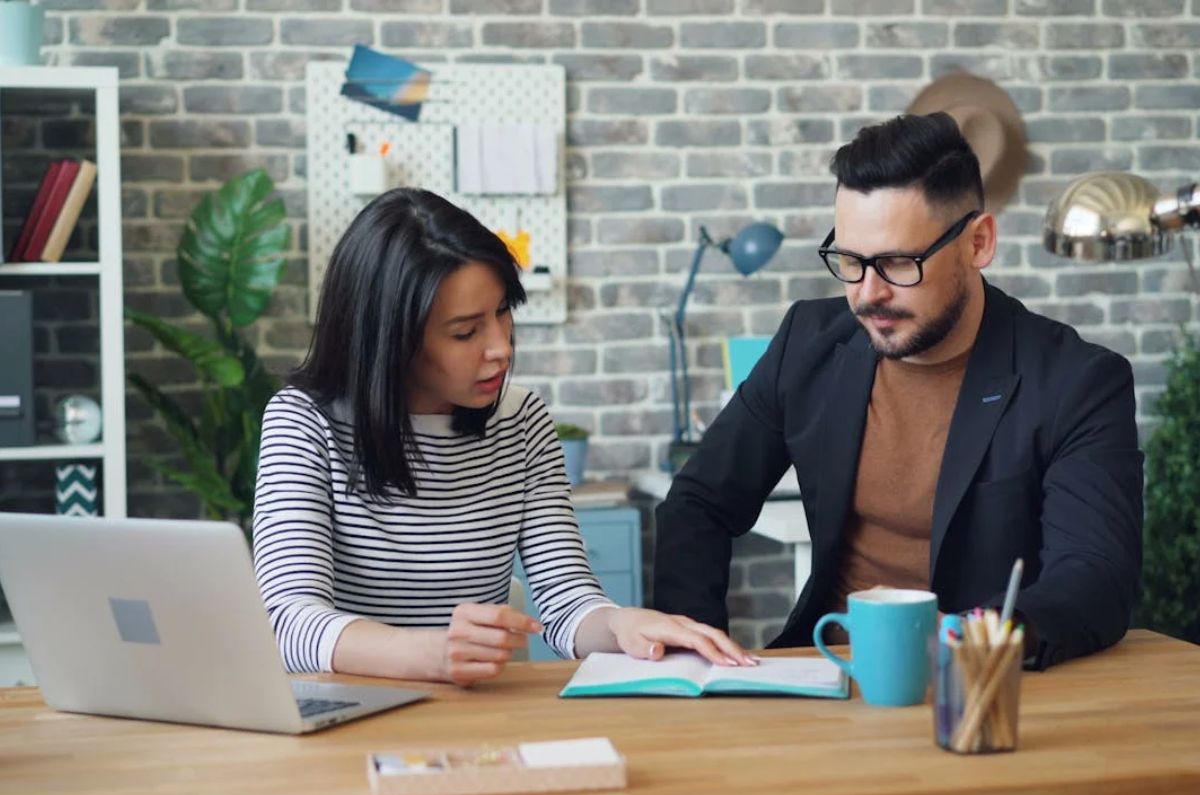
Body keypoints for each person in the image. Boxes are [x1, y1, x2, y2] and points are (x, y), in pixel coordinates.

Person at [653, 113, 1143, 670]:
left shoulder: (1077, 382)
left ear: (978, 242)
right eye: (851, 261)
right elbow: (699, 503)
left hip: (978, 685)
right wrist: (695, 657)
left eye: (896, 263)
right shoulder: (807, 344)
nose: (867, 294)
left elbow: (1095, 576)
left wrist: (971, 637)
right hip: (824, 670)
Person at [254, 188, 753, 686]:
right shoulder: (303, 422)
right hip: (341, 723)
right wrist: (429, 654)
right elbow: (287, 621)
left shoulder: (522, 421)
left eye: (503, 313)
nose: (500, 348)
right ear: (392, 340)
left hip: (478, 728)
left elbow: (566, 602)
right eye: (466, 333)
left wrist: (622, 623)